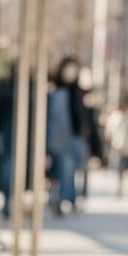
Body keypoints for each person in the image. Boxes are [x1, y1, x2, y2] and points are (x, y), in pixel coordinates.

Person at [45, 57, 90, 215]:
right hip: (58, 137)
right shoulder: (54, 91)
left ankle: (67, 199)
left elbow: (85, 118)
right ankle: (61, 199)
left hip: (75, 137)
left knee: (70, 169)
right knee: (61, 169)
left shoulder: (80, 92)